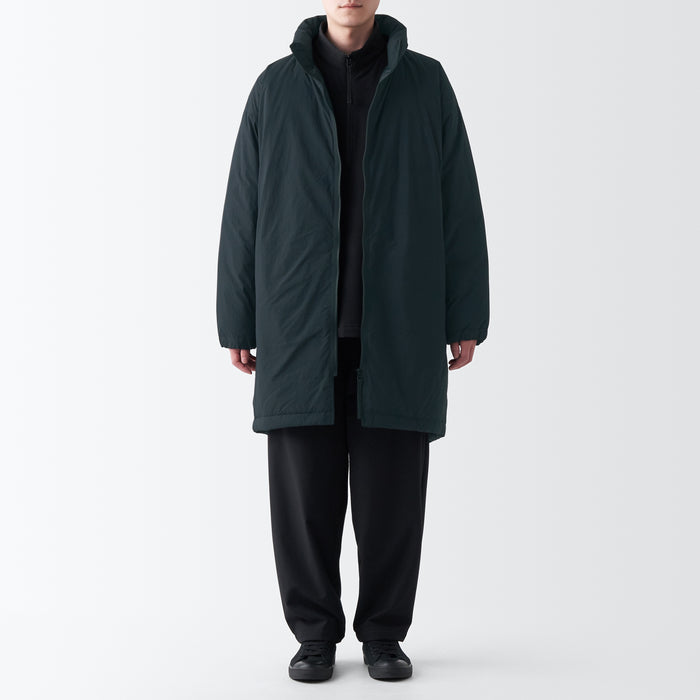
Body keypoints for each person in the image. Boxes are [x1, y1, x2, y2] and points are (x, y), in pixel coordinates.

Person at [216, 0, 490, 683]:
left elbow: (458, 199)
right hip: (297, 326)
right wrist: (237, 318)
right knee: (302, 503)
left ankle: (384, 636)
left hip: (398, 326)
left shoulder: (426, 84)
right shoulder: (275, 88)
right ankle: (313, 636)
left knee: (392, 500)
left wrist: (465, 313)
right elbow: (244, 206)